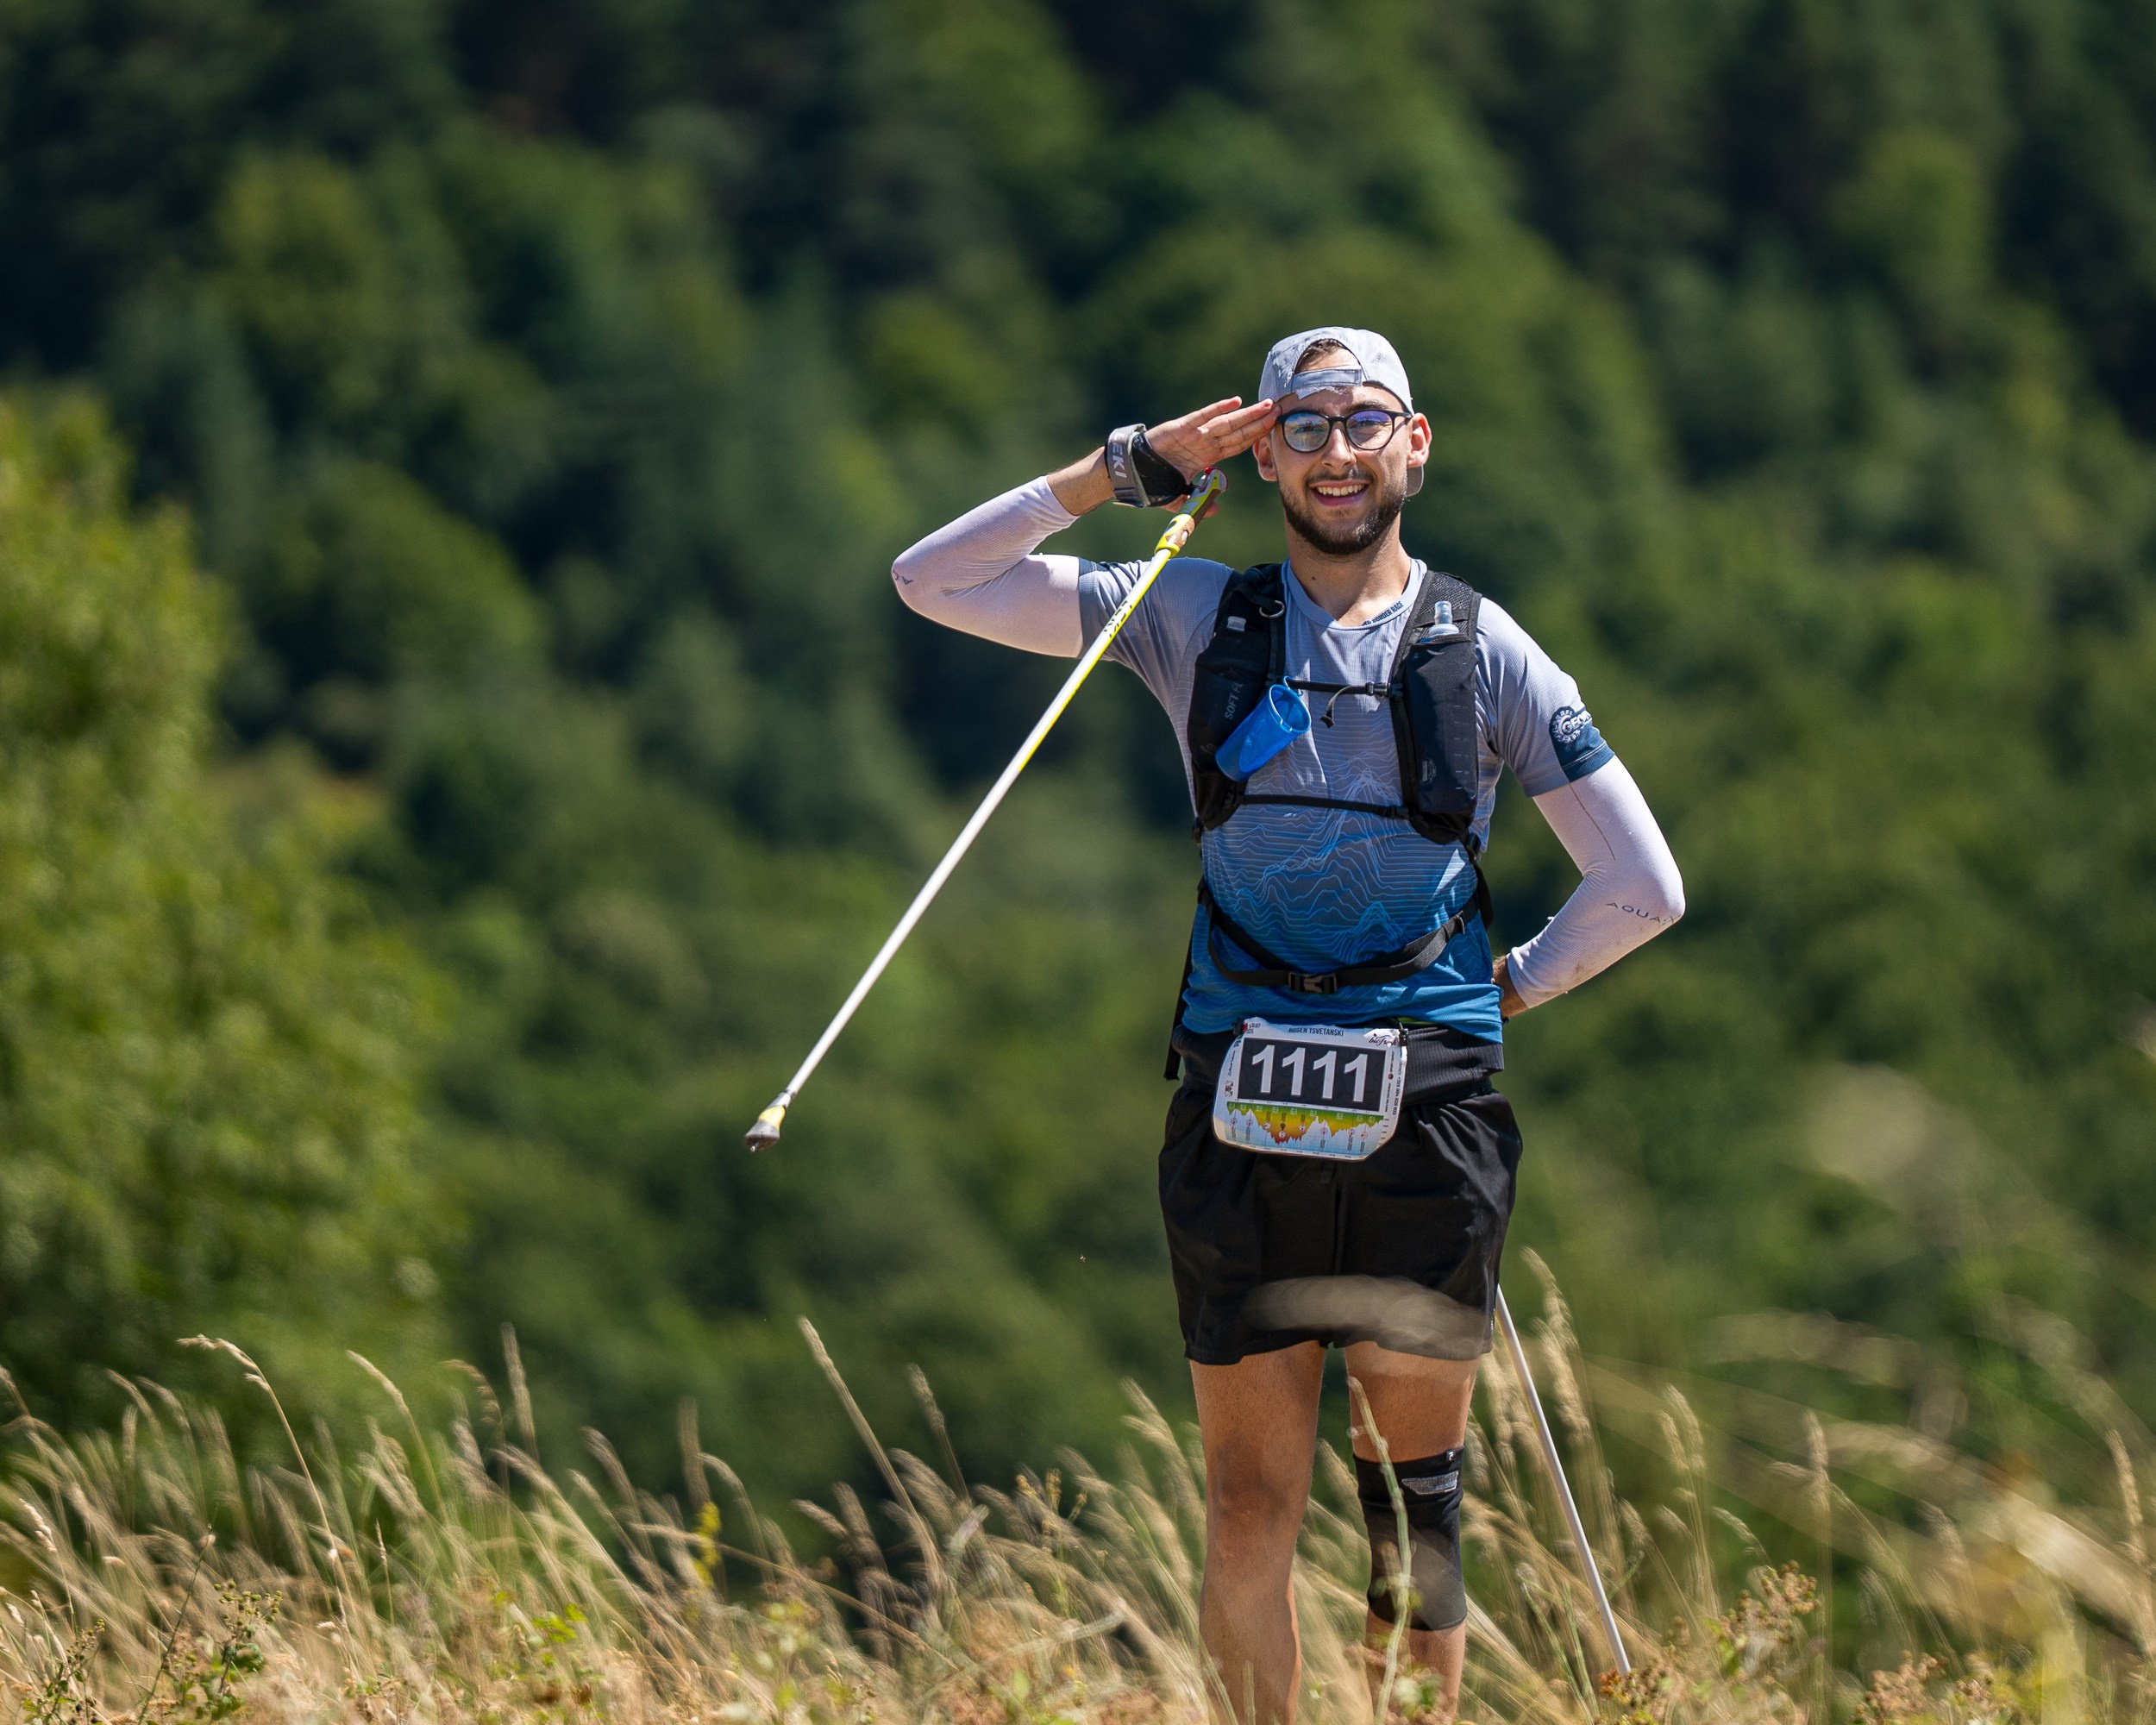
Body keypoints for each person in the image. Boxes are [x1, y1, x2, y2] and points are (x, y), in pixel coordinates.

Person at [892, 327, 1683, 1723]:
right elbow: (931, 581)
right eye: (1303, 426)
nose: (1336, 453)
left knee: (1384, 1520)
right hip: (1401, 1108)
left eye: (1364, 422)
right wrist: (1123, 470)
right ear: (1261, 453)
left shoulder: (1480, 649)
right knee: (1303, 1511)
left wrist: (1502, 994)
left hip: (1304, 1103)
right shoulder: (1187, 609)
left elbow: (1652, 883)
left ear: (1415, 447)